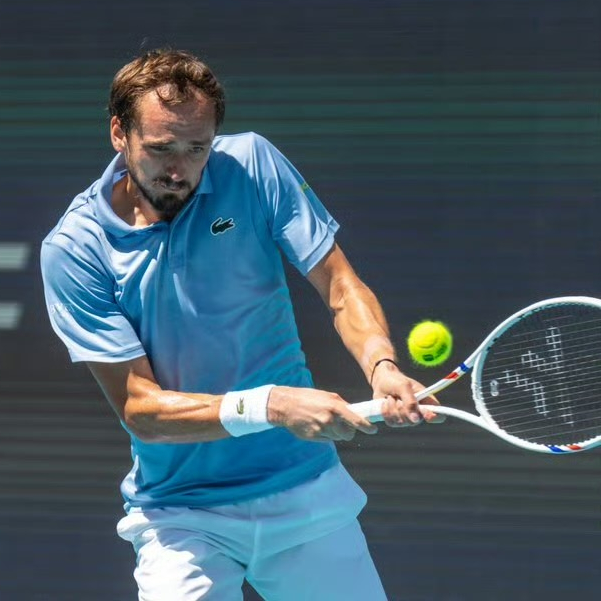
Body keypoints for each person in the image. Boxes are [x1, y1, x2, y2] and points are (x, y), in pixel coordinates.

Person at [41, 48, 441, 601]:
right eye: (161, 148)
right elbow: (141, 409)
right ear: (118, 133)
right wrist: (270, 405)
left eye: (197, 148)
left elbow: (339, 284)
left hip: (304, 490)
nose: (179, 169)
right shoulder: (75, 248)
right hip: (181, 515)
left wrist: (382, 365)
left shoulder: (252, 164)